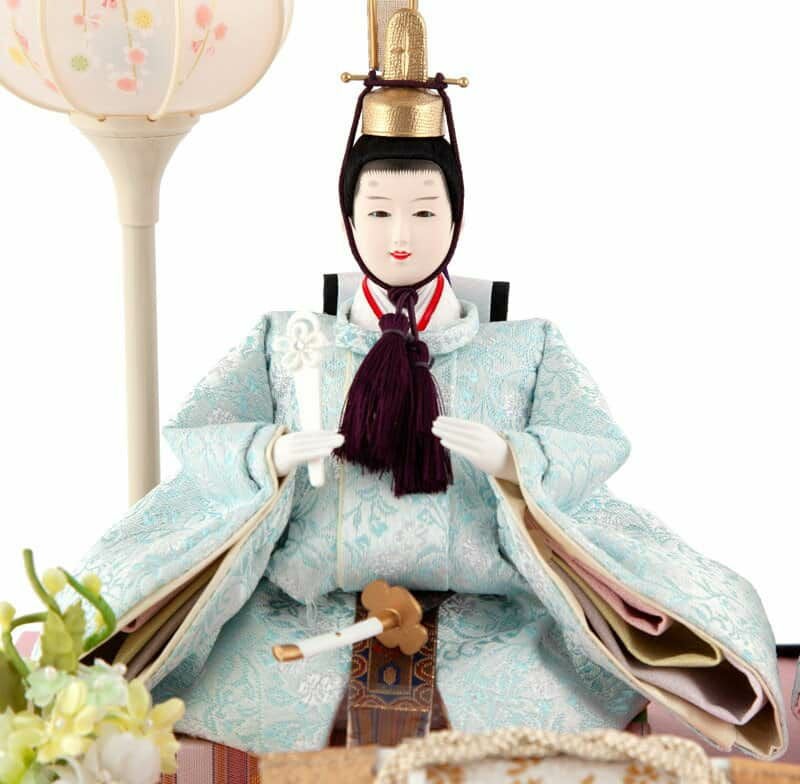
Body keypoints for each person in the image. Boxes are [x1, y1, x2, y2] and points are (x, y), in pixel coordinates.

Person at [53, 4, 785, 760]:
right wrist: (266, 454)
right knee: (241, 691)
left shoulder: (525, 348)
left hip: (493, 622)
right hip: (305, 610)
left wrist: (515, 461)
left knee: (534, 704)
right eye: (377, 211)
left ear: (455, 216)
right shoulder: (288, 340)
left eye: (425, 211)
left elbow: (592, 443)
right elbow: (202, 433)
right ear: (348, 217)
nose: (400, 236)